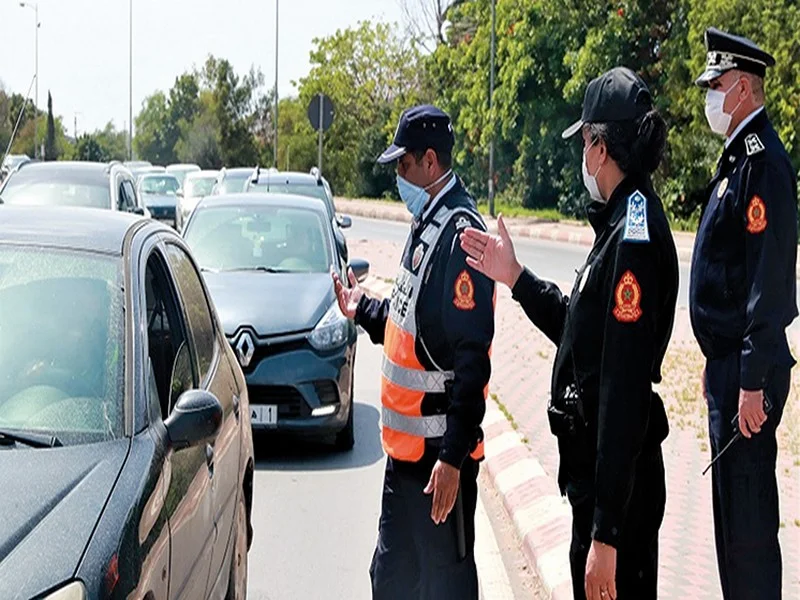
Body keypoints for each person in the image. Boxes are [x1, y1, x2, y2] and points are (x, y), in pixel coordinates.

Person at [460, 67, 678, 600]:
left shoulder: (634, 236)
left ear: (600, 148)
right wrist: (515, 277)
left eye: (584, 141)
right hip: (603, 491)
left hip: (617, 505)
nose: (581, 154)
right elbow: (581, 334)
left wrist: (605, 534)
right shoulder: (621, 221)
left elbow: (623, 388)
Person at [332, 105, 495, 599]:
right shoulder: (427, 222)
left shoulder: (462, 234)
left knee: (441, 590)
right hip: (405, 461)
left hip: (437, 467)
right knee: (391, 583)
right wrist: (362, 309)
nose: (398, 176)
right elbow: (412, 328)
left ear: (429, 161)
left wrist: (451, 459)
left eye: (403, 165)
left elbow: (472, 362)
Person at [690, 28, 797, 600]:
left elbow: (767, 283)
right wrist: (717, 360)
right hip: (729, 368)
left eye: (719, 85)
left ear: (746, 89)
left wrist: (752, 378)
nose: (711, 95)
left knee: (750, 530)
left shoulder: (763, 164)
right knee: (732, 526)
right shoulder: (738, 157)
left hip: (748, 377)